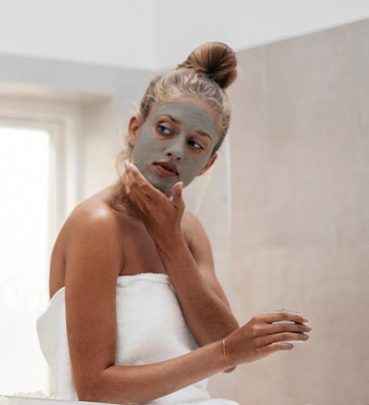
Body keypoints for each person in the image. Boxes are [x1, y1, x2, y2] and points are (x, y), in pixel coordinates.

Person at [38, 42, 311, 404]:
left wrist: (169, 240)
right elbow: (95, 387)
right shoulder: (97, 224)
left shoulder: (189, 231)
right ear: (136, 128)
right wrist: (228, 350)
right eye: (165, 129)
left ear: (209, 164)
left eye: (196, 145)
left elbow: (223, 340)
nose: (177, 149)